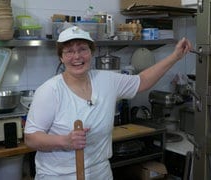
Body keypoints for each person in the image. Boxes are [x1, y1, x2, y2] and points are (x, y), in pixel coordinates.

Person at [24, 26, 192, 180]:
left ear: (91, 52)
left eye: (83, 49)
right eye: (69, 51)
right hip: (59, 176)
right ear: (61, 57)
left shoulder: (106, 80)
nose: (77, 56)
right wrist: (64, 141)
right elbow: (31, 138)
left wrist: (175, 56)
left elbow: (142, 81)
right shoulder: (50, 91)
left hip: (100, 173)